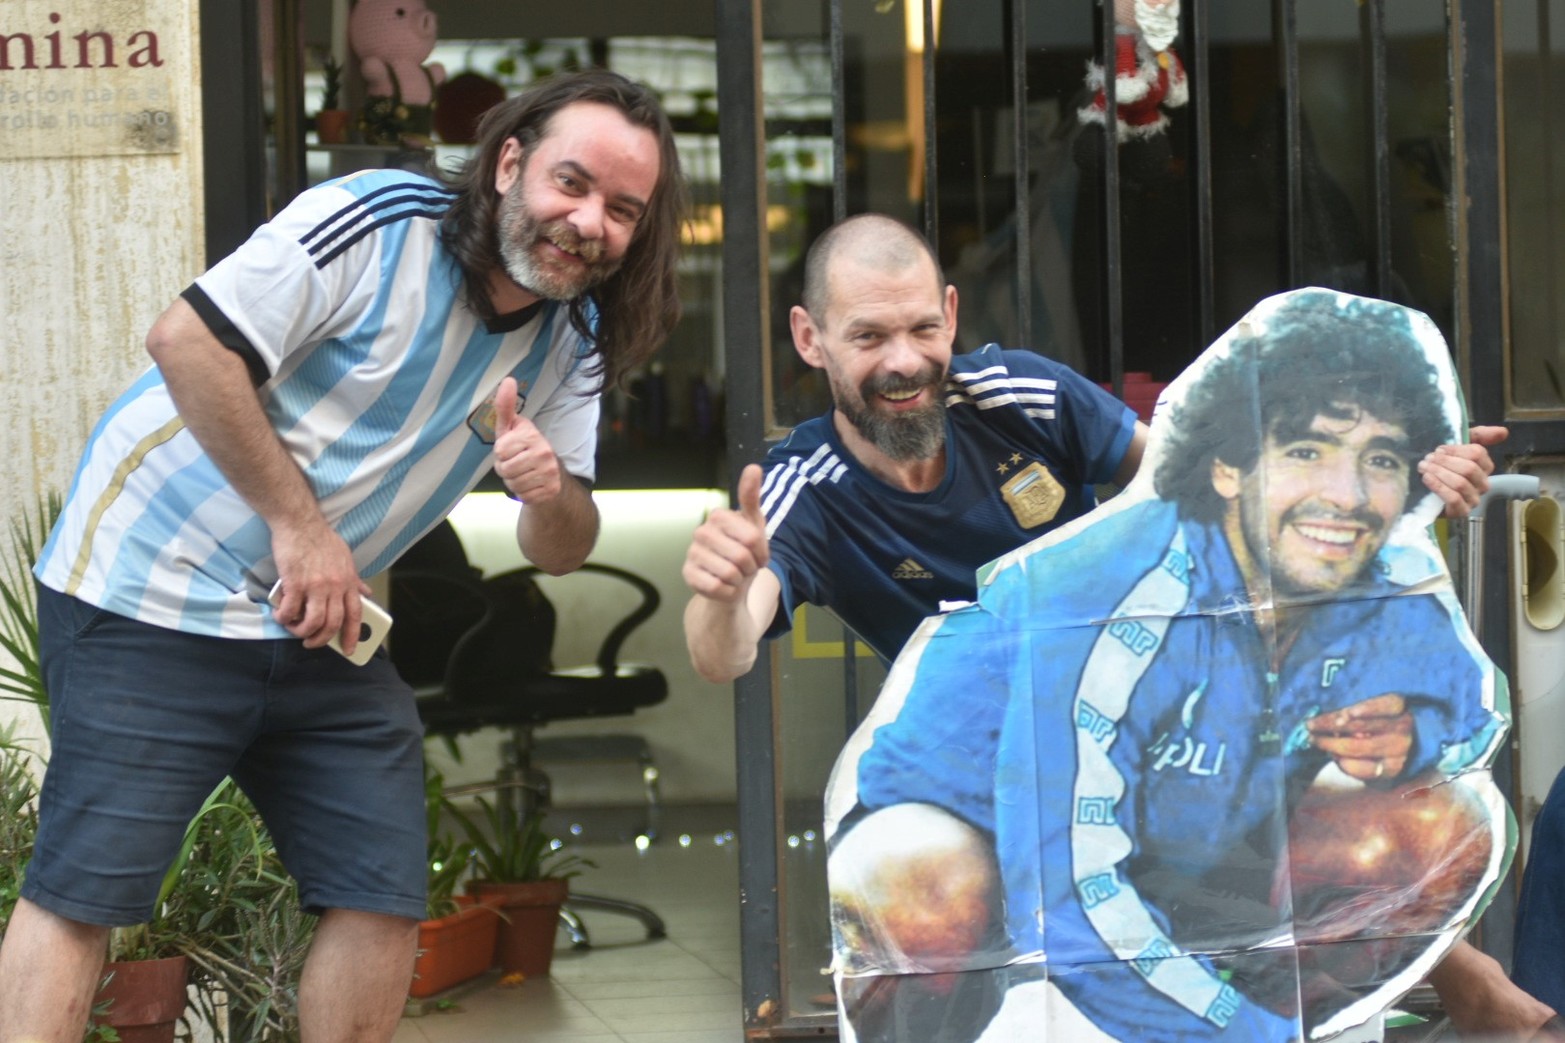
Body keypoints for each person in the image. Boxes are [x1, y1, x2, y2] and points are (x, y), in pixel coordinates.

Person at [679, 215, 1551, 1038]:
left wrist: (1406, 484)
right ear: (810, 339)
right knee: (914, 875)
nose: (904, 362)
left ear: (951, 314)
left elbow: (1178, 477)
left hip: (1138, 724)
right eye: (868, 337)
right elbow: (724, 651)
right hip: (970, 761)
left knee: (1406, 813)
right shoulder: (803, 484)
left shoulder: (1020, 398)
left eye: (920, 329)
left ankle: (1409, 983)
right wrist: (722, 592)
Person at [0, 69, 685, 1042]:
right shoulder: (376, 221)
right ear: (506, 163)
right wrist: (303, 526)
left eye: (621, 209)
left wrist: (550, 491)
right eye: (570, 183)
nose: (589, 221)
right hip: (149, 583)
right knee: (86, 888)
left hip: (315, 620)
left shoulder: (572, 338)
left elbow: (562, 546)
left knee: (380, 887)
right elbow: (188, 343)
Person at [839, 290, 1507, 1041]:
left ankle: (1281, 1011)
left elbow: (1459, 687)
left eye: (1380, 458)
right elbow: (1068, 896)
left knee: (1435, 818)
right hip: (1001, 844)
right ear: (1227, 467)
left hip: (1168, 840)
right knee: (923, 881)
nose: (1346, 496)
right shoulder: (1114, 598)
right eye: (1306, 450)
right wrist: (1243, 1035)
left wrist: (1412, 728)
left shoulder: (1354, 570)